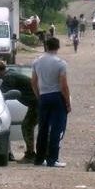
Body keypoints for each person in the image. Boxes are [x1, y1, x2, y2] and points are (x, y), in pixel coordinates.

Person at [31, 37, 71, 168]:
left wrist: (39, 95)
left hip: (43, 96)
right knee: (57, 128)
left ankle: (39, 158)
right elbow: (63, 85)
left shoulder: (37, 61)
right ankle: (52, 159)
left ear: (46, 46)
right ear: (58, 47)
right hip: (57, 97)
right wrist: (67, 102)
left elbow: (33, 81)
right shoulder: (60, 63)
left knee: (42, 128)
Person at [0, 60, 38, 163]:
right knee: (28, 126)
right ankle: (32, 154)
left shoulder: (9, 77)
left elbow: (1, 95)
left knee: (27, 126)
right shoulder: (10, 74)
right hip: (36, 103)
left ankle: (30, 155)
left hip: (37, 104)